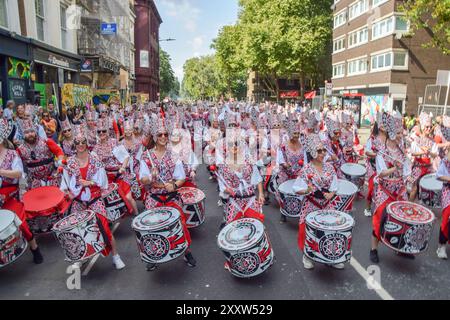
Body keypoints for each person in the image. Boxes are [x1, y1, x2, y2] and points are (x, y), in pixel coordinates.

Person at [60, 126, 125, 270]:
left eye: (83, 142)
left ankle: (116, 256)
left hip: (95, 199)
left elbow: (103, 182)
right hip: (78, 201)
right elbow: (64, 183)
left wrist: (89, 183)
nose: (81, 145)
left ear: (86, 143)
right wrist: (67, 192)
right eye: (78, 143)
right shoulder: (70, 162)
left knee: (104, 229)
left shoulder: (94, 159)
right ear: (74, 146)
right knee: (77, 230)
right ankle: (80, 258)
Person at [139, 117, 196, 271]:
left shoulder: (174, 154)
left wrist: (174, 185)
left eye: (165, 134)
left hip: (171, 196)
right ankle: (153, 257)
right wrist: (151, 176)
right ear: (154, 137)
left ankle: (186, 251)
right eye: (160, 135)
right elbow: (143, 180)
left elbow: (182, 177)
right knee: (151, 227)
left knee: (180, 223)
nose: (163, 137)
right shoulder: (146, 156)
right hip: (154, 196)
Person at [292, 134, 342, 270]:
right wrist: (307, 189)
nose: (323, 153)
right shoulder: (306, 169)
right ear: (312, 153)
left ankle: (331, 257)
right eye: (319, 151)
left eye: (324, 150)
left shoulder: (330, 168)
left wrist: (331, 194)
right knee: (309, 231)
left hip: (327, 204)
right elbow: (296, 188)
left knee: (331, 230)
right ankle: (307, 256)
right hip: (311, 204)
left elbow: (335, 185)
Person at [0, 119, 44, 265]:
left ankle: (35, 248)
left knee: (21, 223)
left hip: (10, 195)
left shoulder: (12, 154)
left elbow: (18, 173)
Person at [370, 111, 412, 263]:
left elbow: (407, 169)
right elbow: (381, 173)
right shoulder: (382, 150)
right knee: (380, 217)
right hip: (385, 190)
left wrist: (408, 177)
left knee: (403, 218)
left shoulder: (401, 150)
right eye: (399, 132)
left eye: (402, 132)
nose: (401, 135)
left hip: (399, 189)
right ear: (391, 132)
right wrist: (395, 167)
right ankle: (374, 249)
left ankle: (399, 247)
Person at [92, 119, 138, 216]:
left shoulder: (113, 142)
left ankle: (137, 215)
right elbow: (93, 165)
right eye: (99, 131)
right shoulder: (95, 148)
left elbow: (126, 156)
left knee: (129, 197)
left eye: (103, 131)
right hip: (106, 178)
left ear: (107, 132)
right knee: (106, 201)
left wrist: (122, 168)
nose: (101, 133)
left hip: (119, 174)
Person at [16, 118, 65, 189]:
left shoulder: (46, 141)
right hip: (34, 181)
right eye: (26, 132)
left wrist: (60, 163)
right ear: (23, 134)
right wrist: (22, 186)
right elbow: (18, 168)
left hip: (53, 176)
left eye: (32, 131)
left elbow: (59, 151)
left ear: (36, 131)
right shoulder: (19, 149)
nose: (30, 134)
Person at [407, 112, 438, 202]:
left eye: (430, 126)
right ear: (422, 126)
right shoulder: (416, 138)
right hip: (417, 167)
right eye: (427, 126)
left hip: (428, 168)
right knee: (414, 189)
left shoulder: (432, 141)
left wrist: (429, 153)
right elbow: (411, 153)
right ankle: (408, 207)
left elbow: (435, 154)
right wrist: (422, 151)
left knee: (427, 191)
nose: (429, 128)